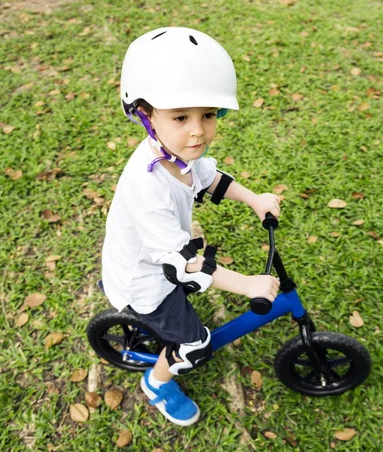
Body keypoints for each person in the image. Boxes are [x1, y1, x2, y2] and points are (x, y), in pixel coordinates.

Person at [101, 27, 281, 426]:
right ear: (144, 113)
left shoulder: (173, 151)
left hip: (152, 259)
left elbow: (209, 178)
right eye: (181, 116)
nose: (198, 130)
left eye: (209, 114)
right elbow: (184, 266)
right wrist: (248, 284)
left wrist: (255, 199)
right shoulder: (149, 192)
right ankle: (156, 383)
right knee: (196, 344)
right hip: (146, 282)